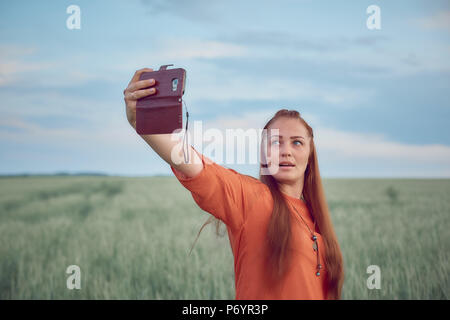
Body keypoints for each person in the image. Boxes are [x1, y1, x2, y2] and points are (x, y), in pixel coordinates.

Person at [123, 68, 344, 300]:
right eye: (276, 142)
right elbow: (191, 162)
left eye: (297, 143)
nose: (286, 151)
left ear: (310, 154)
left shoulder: (315, 216)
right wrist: (141, 120)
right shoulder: (251, 198)